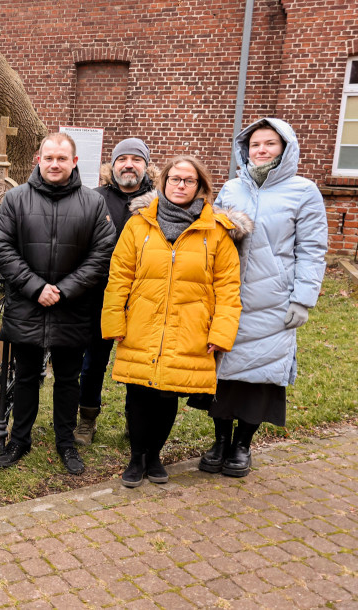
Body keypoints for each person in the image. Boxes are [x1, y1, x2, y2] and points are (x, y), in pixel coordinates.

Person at [102, 155, 248, 488]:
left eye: (188, 180)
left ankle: (154, 455)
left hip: (189, 328)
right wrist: (114, 323)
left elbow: (228, 288)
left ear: (201, 187)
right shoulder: (139, 225)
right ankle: (136, 457)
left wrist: (221, 333)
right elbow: (119, 276)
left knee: (168, 395)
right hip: (142, 322)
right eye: (174, 179)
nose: (180, 185)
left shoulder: (217, 231)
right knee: (138, 393)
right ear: (163, 182)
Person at [199, 118, 328, 477]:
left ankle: (242, 446)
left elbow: (313, 249)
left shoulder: (303, 192)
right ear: (246, 149)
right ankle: (220, 440)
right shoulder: (231, 189)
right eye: (255, 144)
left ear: (285, 148)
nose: (261, 150)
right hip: (228, 296)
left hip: (273, 299)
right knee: (224, 373)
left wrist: (302, 299)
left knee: (260, 375)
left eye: (270, 144)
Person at [0, 133, 115, 474]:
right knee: (26, 376)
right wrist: (35, 287)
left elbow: (102, 253)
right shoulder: (16, 199)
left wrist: (64, 289)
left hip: (72, 308)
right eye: (49, 158)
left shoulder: (93, 203)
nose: (55, 164)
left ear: (74, 162)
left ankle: (66, 442)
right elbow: (0, 246)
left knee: (68, 380)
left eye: (62, 158)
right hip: (28, 305)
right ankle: (20, 439)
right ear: (38, 160)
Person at [74, 138, 156, 445]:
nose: (129, 165)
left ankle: (136, 422)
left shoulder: (158, 202)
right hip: (99, 295)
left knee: (137, 363)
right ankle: (86, 420)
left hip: (143, 297)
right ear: (113, 164)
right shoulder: (94, 198)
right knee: (92, 362)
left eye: (136, 159)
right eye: (123, 159)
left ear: (146, 166)